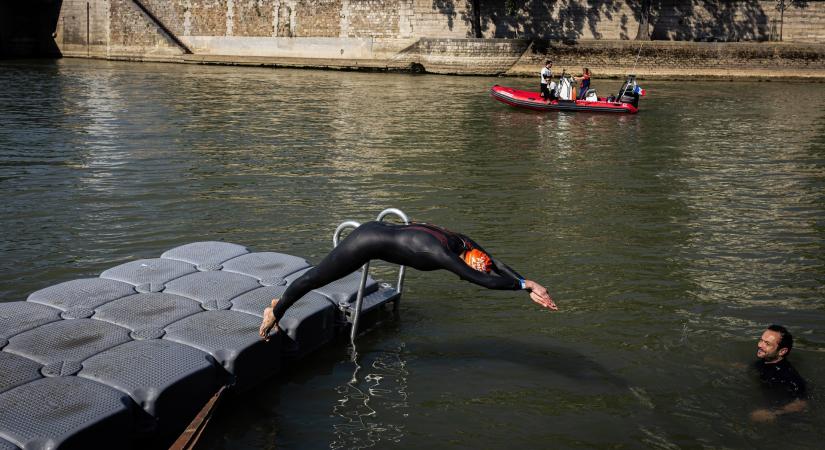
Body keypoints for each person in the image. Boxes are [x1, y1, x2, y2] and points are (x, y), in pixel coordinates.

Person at [259, 221, 556, 339]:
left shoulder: (461, 241)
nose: (478, 269)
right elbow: (487, 281)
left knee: (314, 279)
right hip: (364, 242)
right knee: (314, 279)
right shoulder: (443, 255)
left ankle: (279, 305)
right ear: (466, 262)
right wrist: (522, 287)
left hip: (377, 228)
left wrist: (527, 281)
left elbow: (497, 265)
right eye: (475, 268)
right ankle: (276, 310)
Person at [750, 324, 808, 422]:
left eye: (767, 344)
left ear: (782, 351)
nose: (760, 345)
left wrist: (773, 413)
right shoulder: (766, 360)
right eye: (761, 340)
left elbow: (802, 403)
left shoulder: (787, 375)